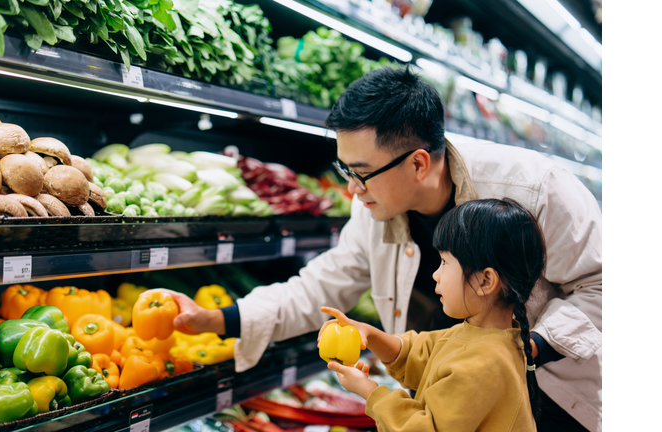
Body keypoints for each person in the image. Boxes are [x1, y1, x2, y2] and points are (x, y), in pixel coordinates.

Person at [145, 66, 602, 431]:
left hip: (552, 401)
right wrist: (218, 319)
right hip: (440, 391)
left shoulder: (534, 188)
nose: (351, 188)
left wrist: (527, 346)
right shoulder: (376, 202)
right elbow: (322, 284)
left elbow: (605, 285)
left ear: (419, 162)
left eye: (360, 172)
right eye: (344, 168)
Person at [320, 198, 544, 432]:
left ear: (485, 281)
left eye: (445, 262)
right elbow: (420, 353)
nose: (436, 275)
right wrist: (368, 334)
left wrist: (369, 391)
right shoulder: (483, 336)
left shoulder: (482, 365)